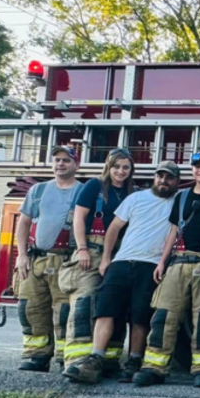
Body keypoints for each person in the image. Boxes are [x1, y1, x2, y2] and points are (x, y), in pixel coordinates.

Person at [62, 163, 180, 384]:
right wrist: (107, 258)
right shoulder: (135, 198)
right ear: (154, 177)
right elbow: (114, 227)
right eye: (160, 176)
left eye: (169, 178)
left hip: (151, 265)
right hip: (121, 261)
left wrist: (162, 263)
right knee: (105, 310)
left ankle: (134, 361)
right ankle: (95, 358)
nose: (164, 180)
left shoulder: (178, 202)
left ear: (177, 182)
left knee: (140, 315)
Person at [135, 151, 200, 388]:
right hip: (178, 262)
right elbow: (173, 231)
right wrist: (162, 262)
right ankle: (154, 368)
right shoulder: (181, 198)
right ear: (192, 170)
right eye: (197, 166)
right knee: (164, 315)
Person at [59, 148, 135, 373]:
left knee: (114, 305)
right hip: (91, 250)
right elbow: (79, 219)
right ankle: (76, 362)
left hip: (119, 253)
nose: (120, 171)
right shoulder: (94, 186)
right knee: (84, 304)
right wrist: (82, 248)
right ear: (108, 167)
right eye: (116, 166)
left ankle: (108, 361)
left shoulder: (131, 193)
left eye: (125, 167)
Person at [16, 145, 83, 372]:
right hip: (36, 260)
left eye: (66, 160)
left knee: (65, 312)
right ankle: (37, 356)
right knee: (30, 308)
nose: (60, 164)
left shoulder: (83, 192)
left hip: (65, 261)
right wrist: (22, 255)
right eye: (57, 160)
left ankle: (65, 358)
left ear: (76, 165)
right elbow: (24, 223)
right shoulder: (38, 190)